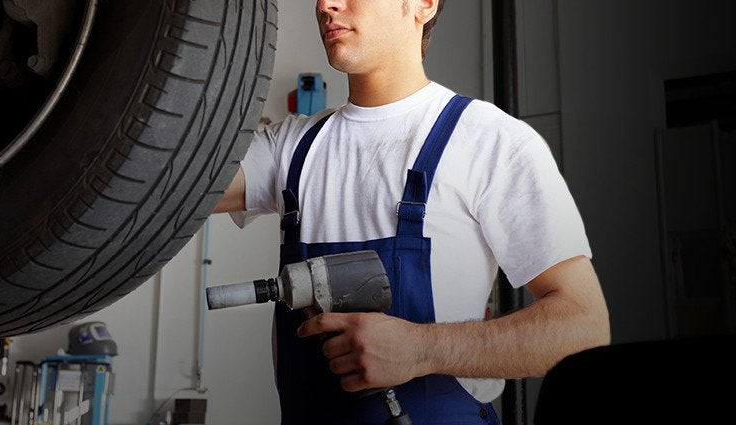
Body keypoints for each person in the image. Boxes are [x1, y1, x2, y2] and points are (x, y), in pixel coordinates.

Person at [213, 0, 609, 423]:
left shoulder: (491, 142)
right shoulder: (290, 148)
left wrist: (421, 348)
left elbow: (582, 327)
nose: (326, 5)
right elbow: (165, 182)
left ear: (422, 4)